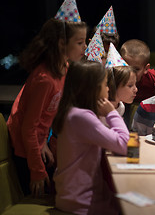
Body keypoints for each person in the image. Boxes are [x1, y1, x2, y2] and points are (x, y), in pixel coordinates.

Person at [6, 0, 87, 197]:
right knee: (44, 195)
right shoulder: (45, 78)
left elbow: (49, 116)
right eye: (79, 42)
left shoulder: (64, 68)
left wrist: (44, 141)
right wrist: (36, 171)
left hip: (37, 143)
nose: (84, 47)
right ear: (62, 43)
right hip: (25, 150)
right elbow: (28, 127)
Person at [52, 61, 129, 215]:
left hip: (74, 196)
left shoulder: (74, 112)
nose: (108, 89)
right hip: (81, 202)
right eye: (105, 84)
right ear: (93, 88)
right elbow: (124, 143)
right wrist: (111, 112)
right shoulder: (81, 117)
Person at [121, 39, 155, 128]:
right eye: (126, 67)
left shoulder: (154, 80)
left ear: (146, 68)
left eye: (136, 69)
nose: (130, 73)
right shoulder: (116, 78)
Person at [105, 43, 137, 117]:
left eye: (135, 84)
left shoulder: (121, 107)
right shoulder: (97, 110)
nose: (136, 89)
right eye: (130, 85)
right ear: (113, 85)